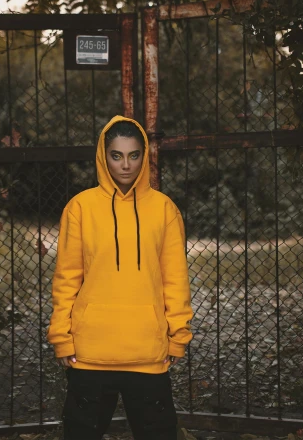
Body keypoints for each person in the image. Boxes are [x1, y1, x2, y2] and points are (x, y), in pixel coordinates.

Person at [47, 115, 194, 440]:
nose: (125, 165)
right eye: (116, 155)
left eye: (133, 155)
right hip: (89, 353)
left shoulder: (164, 209)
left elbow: (175, 279)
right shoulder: (80, 208)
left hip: (147, 353)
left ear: (144, 156)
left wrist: (177, 334)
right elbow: (66, 279)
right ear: (104, 156)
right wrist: (62, 336)